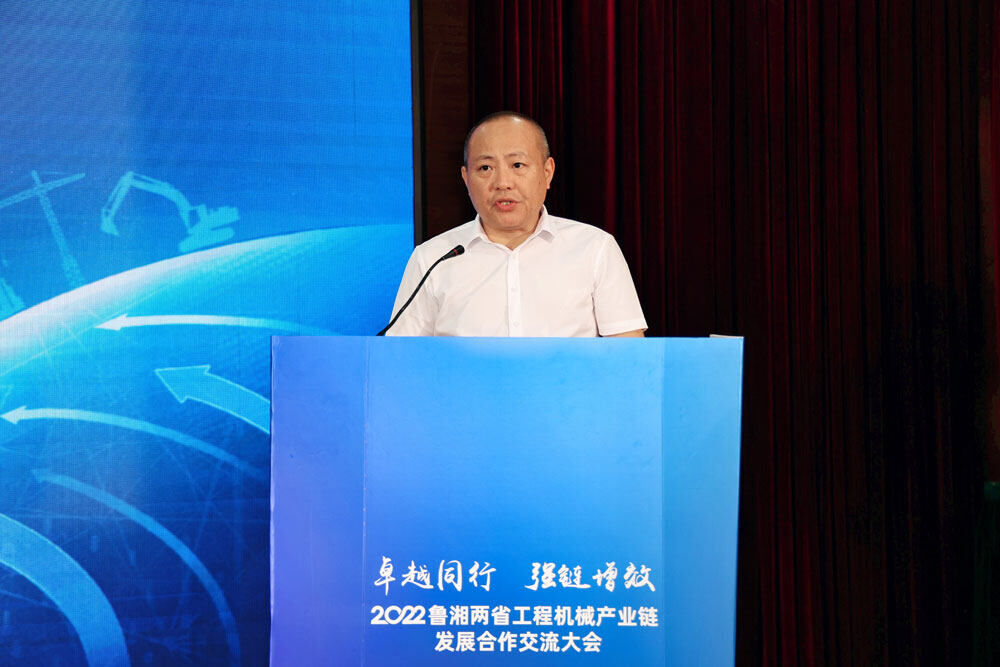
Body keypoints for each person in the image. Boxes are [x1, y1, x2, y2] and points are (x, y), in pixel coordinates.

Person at [386, 111, 646, 337]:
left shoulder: (595, 248)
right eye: (485, 168)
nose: (503, 183)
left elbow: (629, 356)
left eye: (517, 165)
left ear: (547, 172)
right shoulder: (432, 258)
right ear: (466, 178)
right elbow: (400, 359)